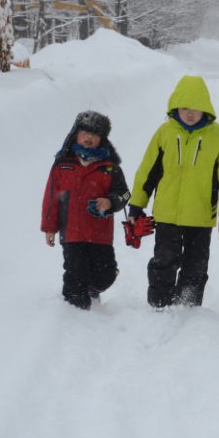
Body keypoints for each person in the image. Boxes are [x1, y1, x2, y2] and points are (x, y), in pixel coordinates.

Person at [128, 75, 219, 308]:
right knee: (164, 261)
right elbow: (147, 171)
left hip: (200, 215)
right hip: (168, 213)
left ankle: (188, 304)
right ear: (175, 106)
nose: (190, 113)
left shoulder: (216, 135)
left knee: (196, 265)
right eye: (185, 107)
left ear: (205, 108)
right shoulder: (164, 133)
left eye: (196, 108)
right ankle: (159, 303)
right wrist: (137, 204)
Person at [41, 111, 130, 310]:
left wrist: (109, 202)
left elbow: (124, 194)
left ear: (102, 139)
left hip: (100, 234)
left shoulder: (109, 167)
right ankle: (74, 311)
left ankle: (93, 290)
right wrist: (49, 227)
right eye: (84, 132)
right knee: (75, 272)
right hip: (71, 232)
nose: (88, 138)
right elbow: (51, 198)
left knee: (105, 275)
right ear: (75, 134)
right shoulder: (63, 164)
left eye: (95, 134)